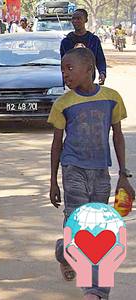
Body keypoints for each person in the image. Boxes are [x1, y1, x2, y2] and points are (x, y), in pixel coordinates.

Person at [48, 48, 134, 300]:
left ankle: (64, 252)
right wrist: (53, 181)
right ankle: (94, 291)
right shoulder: (63, 103)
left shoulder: (111, 98)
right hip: (72, 168)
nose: (65, 74)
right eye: (62, 69)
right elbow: (56, 145)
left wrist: (124, 174)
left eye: (70, 68)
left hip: (100, 171)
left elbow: (117, 136)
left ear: (89, 70)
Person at [60, 9, 106, 85]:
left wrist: (102, 73)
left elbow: (100, 59)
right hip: (71, 85)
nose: (75, 21)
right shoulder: (66, 42)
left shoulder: (94, 40)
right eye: (73, 19)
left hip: (89, 83)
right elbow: (64, 64)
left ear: (86, 20)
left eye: (78, 18)